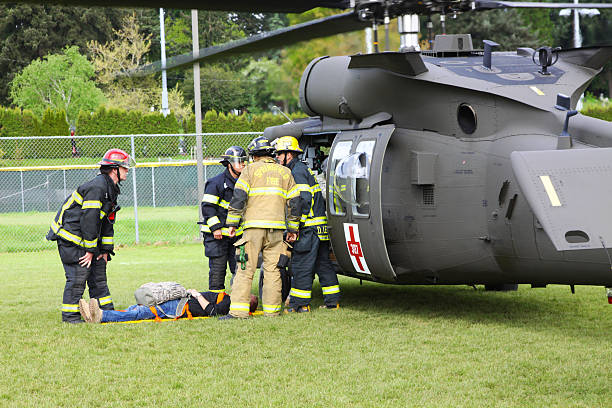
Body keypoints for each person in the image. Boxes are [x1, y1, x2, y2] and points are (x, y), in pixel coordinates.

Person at [46, 149, 130, 323]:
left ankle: (106, 313)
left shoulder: (110, 188)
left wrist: (105, 250)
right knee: (78, 277)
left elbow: (107, 222)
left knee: (99, 275)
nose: (127, 170)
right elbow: (89, 220)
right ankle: (71, 317)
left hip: (86, 239)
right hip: (71, 239)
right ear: (114, 169)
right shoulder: (97, 187)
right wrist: (91, 250)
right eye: (125, 167)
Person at [221, 136, 301, 319]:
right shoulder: (285, 173)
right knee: (273, 271)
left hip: (253, 229)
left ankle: (239, 312)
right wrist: (293, 229)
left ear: (254, 155)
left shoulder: (249, 171)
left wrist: (232, 223)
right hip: (277, 230)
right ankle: (272, 312)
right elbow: (295, 203)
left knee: (244, 269)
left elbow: (239, 197)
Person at [274, 136, 340, 312]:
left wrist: (294, 227)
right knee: (323, 264)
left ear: (289, 154)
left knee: (301, 265)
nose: (278, 158)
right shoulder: (302, 169)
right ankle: (332, 302)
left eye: (280, 154)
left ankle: (299, 305)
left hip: (308, 229)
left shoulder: (296, 172)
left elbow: (303, 201)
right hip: (318, 229)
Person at [200, 146, 247, 293]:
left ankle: (238, 299)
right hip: (217, 236)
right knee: (217, 272)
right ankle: (216, 301)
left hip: (236, 236)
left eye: (244, 161)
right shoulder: (216, 183)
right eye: (240, 161)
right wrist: (216, 228)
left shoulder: (245, 183)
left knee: (239, 269)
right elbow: (208, 207)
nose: (243, 165)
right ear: (229, 164)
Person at [79, 291, 258, 323]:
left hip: (181, 306)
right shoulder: (227, 297)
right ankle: (93, 314)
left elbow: (211, 311)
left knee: (144, 311)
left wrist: (196, 295)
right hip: (182, 300)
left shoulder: (229, 304)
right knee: (139, 307)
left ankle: (101, 316)